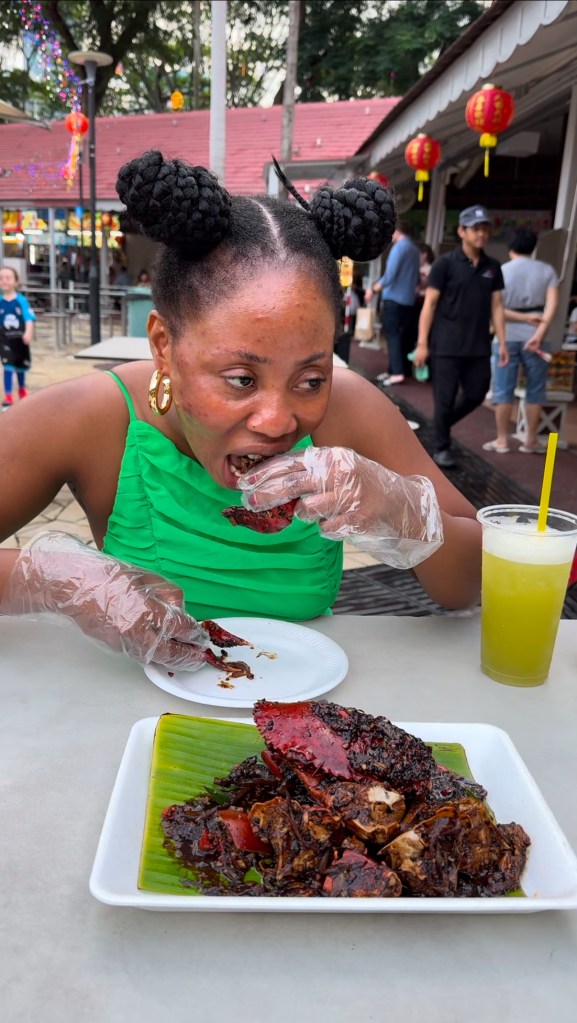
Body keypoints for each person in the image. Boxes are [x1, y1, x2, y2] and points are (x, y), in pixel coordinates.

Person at [0, 150, 482, 671]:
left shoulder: (353, 411)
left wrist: (402, 512)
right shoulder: (93, 418)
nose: (277, 421)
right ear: (163, 346)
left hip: (308, 699)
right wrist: (54, 580)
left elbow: (473, 584)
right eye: (241, 380)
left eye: (310, 380)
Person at [414, 205, 508, 469]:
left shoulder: (493, 267)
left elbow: (497, 306)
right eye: (475, 229)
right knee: (444, 398)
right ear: (461, 231)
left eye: (485, 229)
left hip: (479, 345)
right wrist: (422, 343)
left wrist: (502, 341)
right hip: (446, 344)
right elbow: (430, 304)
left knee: (477, 393)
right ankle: (442, 446)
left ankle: (440, 425)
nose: (481, 234)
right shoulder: (445, 264)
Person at [483, 228, 559, 455]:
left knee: (503, 389)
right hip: (536, 337)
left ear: (510, 247)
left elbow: (495, 308)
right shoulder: (547, 270)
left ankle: (502, 440)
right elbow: (552, 305)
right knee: (536, 390)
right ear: (534, 247)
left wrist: (518, 319)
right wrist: (539, 333)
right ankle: (531, 440)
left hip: (505, 336)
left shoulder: (502, 270)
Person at [365, 221, 420, 386]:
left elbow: (390, 275)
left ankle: (396, 373)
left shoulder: (399, 248)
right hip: (409, 300)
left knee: (392, 336)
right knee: (403, 338)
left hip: (394, 299)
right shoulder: (415, 250)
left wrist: (373, 289)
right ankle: (396, 370)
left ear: (397, 231)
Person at [0, 266, 35, 408]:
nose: (4, 281)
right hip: (4, 339)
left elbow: (29, 318)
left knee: (21, 367)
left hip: (20, 340)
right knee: (8, 366)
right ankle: (8, 395)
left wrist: (28, 333)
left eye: (8, 278)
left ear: (16, 281)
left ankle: (21, 389)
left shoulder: (21, 300)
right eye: (1, 278)